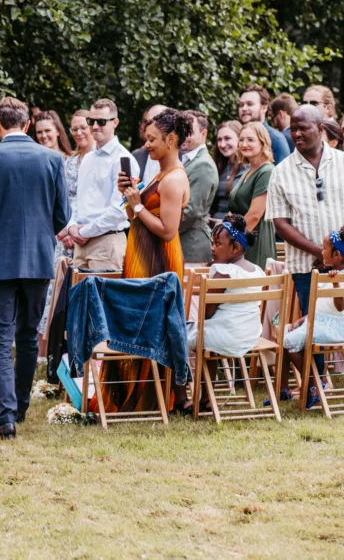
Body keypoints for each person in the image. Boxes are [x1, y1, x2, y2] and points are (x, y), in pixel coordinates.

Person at [0, 97, 69, 440]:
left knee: (0, 338)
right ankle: (22, 406)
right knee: (28, 335)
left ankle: (7, 416)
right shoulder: (53, 159)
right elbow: (63, 217)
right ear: (26, 124)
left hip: (0, 258)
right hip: (39, 259)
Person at [266, 104, 344, 404]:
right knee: (312, 328)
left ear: (320, 129)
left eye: (303, 128)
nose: (297, 133)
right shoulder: (281, 172)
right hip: (306, 265)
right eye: (293, 128)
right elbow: (280, 222)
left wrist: (338, 251)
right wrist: (319, 252)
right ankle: (315, 389)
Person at [109, 108, 191, 412]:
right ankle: (139, 391)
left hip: (160, 261)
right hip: (142, 256)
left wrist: (139, 207)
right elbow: (138, 219)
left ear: (171, 140)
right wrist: (131, 198)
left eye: (153, 139)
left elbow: (168, 232)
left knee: (153, 323)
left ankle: (154, 396)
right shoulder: (158, 173)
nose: (147, 145)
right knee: (139, 322)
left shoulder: (173, 179)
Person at [280, 228, 344, 407]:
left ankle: (313, 383)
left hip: (338, 327)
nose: (321, 251)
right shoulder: (325, 275)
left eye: (325, 248)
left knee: (288, 342)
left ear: (336, 254)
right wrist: (303, 319)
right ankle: (288, 389)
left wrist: (335, 282)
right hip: (321, 322)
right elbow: (322, 307)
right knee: (285, 334)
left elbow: (340, 306)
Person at [37, 109, 96, 336]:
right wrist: (65, 229)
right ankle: (48, 345)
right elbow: (58, 198)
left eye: (84, 127)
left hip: (88, 233)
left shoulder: (100, 160)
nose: (80, 132)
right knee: (55, 288)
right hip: (63, 232)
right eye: (76, 129)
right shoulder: (68, 163)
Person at [66, 100, 135, 271]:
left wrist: (84, 232)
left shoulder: (123, 159)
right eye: (91, 121)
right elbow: (78, 200)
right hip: (81, 244)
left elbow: (119, 210)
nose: (95, 126)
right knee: (78, 297)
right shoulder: (88, 158)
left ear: (115, 123)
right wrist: (72, 226)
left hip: (107, 243)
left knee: (103, 298)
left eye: (101, 122)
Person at [186, 214, 266, 359]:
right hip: (250, 335)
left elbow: (206, 313)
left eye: (218, 244)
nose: (212, 248)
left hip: (224, 337)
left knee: (177, 334)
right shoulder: (257, 271)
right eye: (212, 243)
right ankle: (208, 380)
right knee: (207, 330)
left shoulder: (223, 272)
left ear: (235, 247)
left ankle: (179, 381)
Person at [229, 123, 277, 268]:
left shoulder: (267, 171)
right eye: (241, 139)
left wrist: (232, 241)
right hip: (240, 238)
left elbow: (255, 214)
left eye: (250, 140)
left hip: (255, 239)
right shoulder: (248, 172)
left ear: (263, 143)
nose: (244, 144)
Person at [177, 110, 218, 264]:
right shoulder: (186, 160)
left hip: (192, 246)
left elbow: (192, 211)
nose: (184, 136)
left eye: (189, 132)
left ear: (203, 133)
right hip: (183, 243)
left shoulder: (203, 165)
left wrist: (164, 230)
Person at [238, 85, 290, 164]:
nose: (244, 108)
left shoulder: (276, 139)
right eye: (241, 105)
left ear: (264, 108)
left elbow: (283, 174)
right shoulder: (239, 135)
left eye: (250, 104)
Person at [210, 120, 247, 224]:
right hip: (213, 226)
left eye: (227, 139)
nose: (222, 144)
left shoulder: (247, 168)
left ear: (240, 139)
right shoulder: (218, 166)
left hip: (234, 228)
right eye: (219, 140)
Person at [132, 104, 168, 185]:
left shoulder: (183, 159)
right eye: (146, 123)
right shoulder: (137, 155)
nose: (146, 128)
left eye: (152, 123)